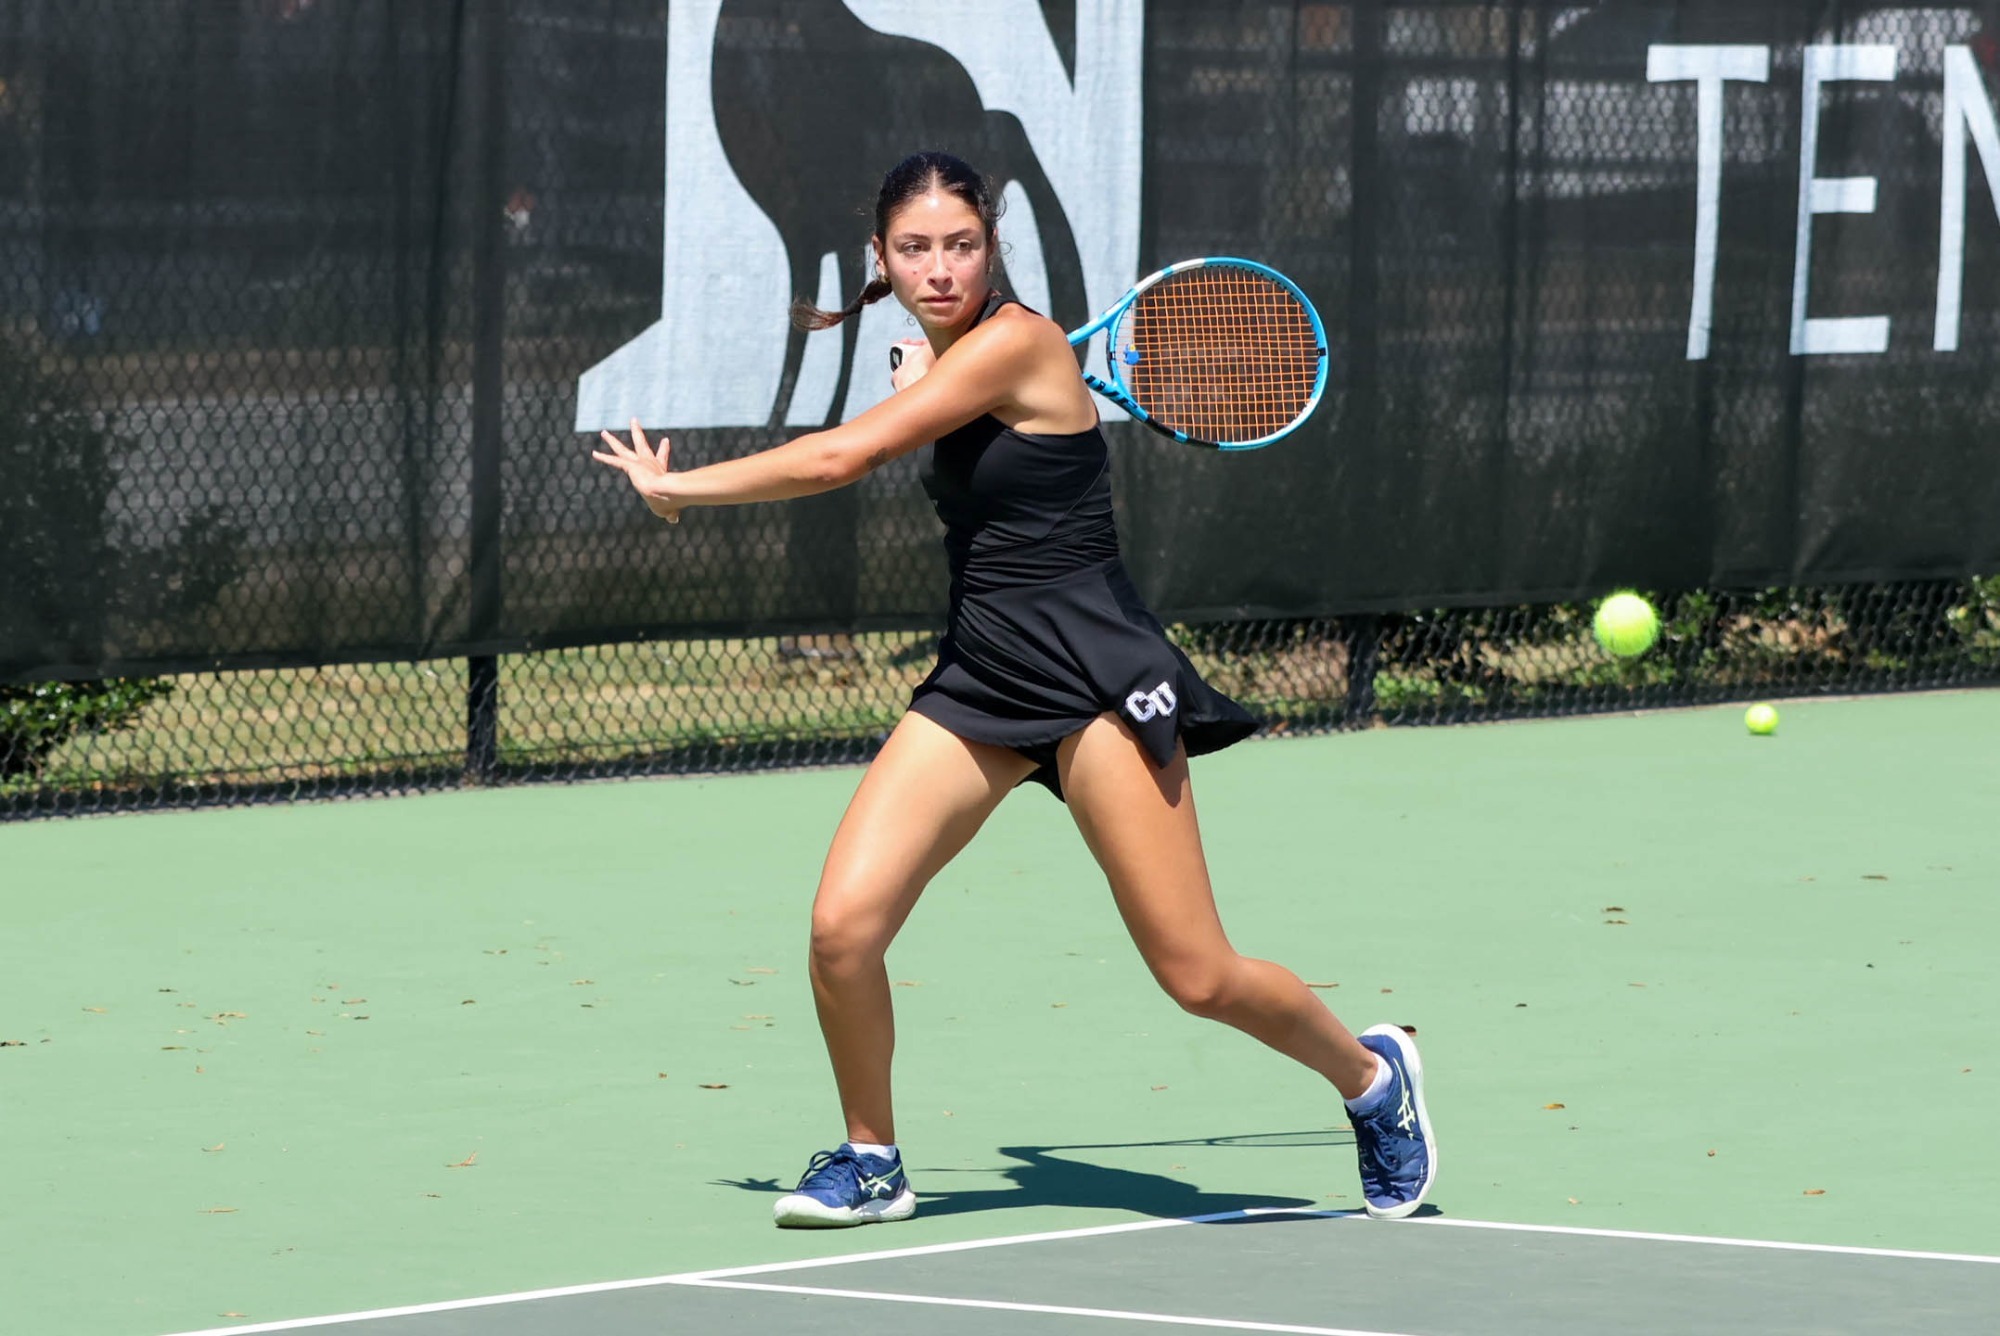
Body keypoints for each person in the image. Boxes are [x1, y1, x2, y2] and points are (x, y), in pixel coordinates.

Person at [590, 151, 1435, 1228]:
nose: (939, 268)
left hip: (1096, 683)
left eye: (960, 245)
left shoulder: (1021, 343)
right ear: (881, 257)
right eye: (914, 249)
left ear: (992, 246)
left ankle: (1370, 1077)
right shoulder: (953, 360)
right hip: (984, 679)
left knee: (1197, 974)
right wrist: (928, 388)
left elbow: (838, 461)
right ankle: (871, 1159)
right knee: (842, 929)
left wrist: (678, 489)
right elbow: (955, 434)